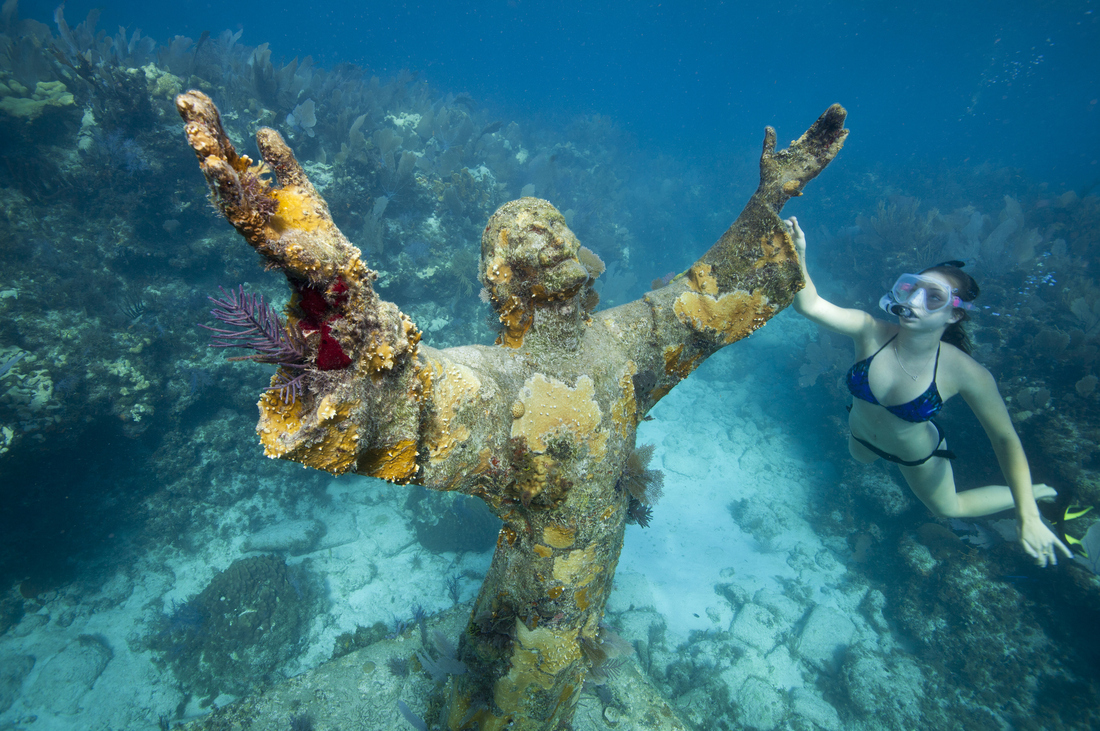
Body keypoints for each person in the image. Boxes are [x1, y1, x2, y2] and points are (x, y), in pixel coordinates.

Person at [787, 216, 1071, 568]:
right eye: (911, 289)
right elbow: (808, 305)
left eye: (933, 297)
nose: (916, 301)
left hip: (917, 457)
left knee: (947, 508)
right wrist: (798, 253)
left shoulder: (968, 373)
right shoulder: (869, 330)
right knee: (860, 460)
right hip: (860, 437)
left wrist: (1027, 515)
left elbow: (1005, 439)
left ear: (954, 315)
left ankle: (1033, 492)